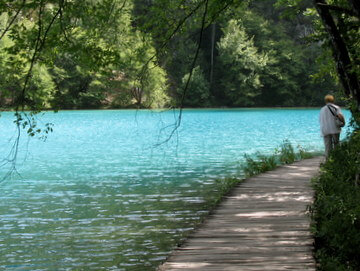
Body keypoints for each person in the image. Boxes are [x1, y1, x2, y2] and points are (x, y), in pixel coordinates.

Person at [319, 94, 345, 159]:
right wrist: (343, 122)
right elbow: (340, 116)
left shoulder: (322, 109)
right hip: (334, 129)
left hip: (325, 130)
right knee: (336, 144)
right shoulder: (336, 107)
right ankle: (337, 159)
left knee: (327, 147)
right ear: (333, 100)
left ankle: (328, 161)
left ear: (325, 101)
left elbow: (320, 120)